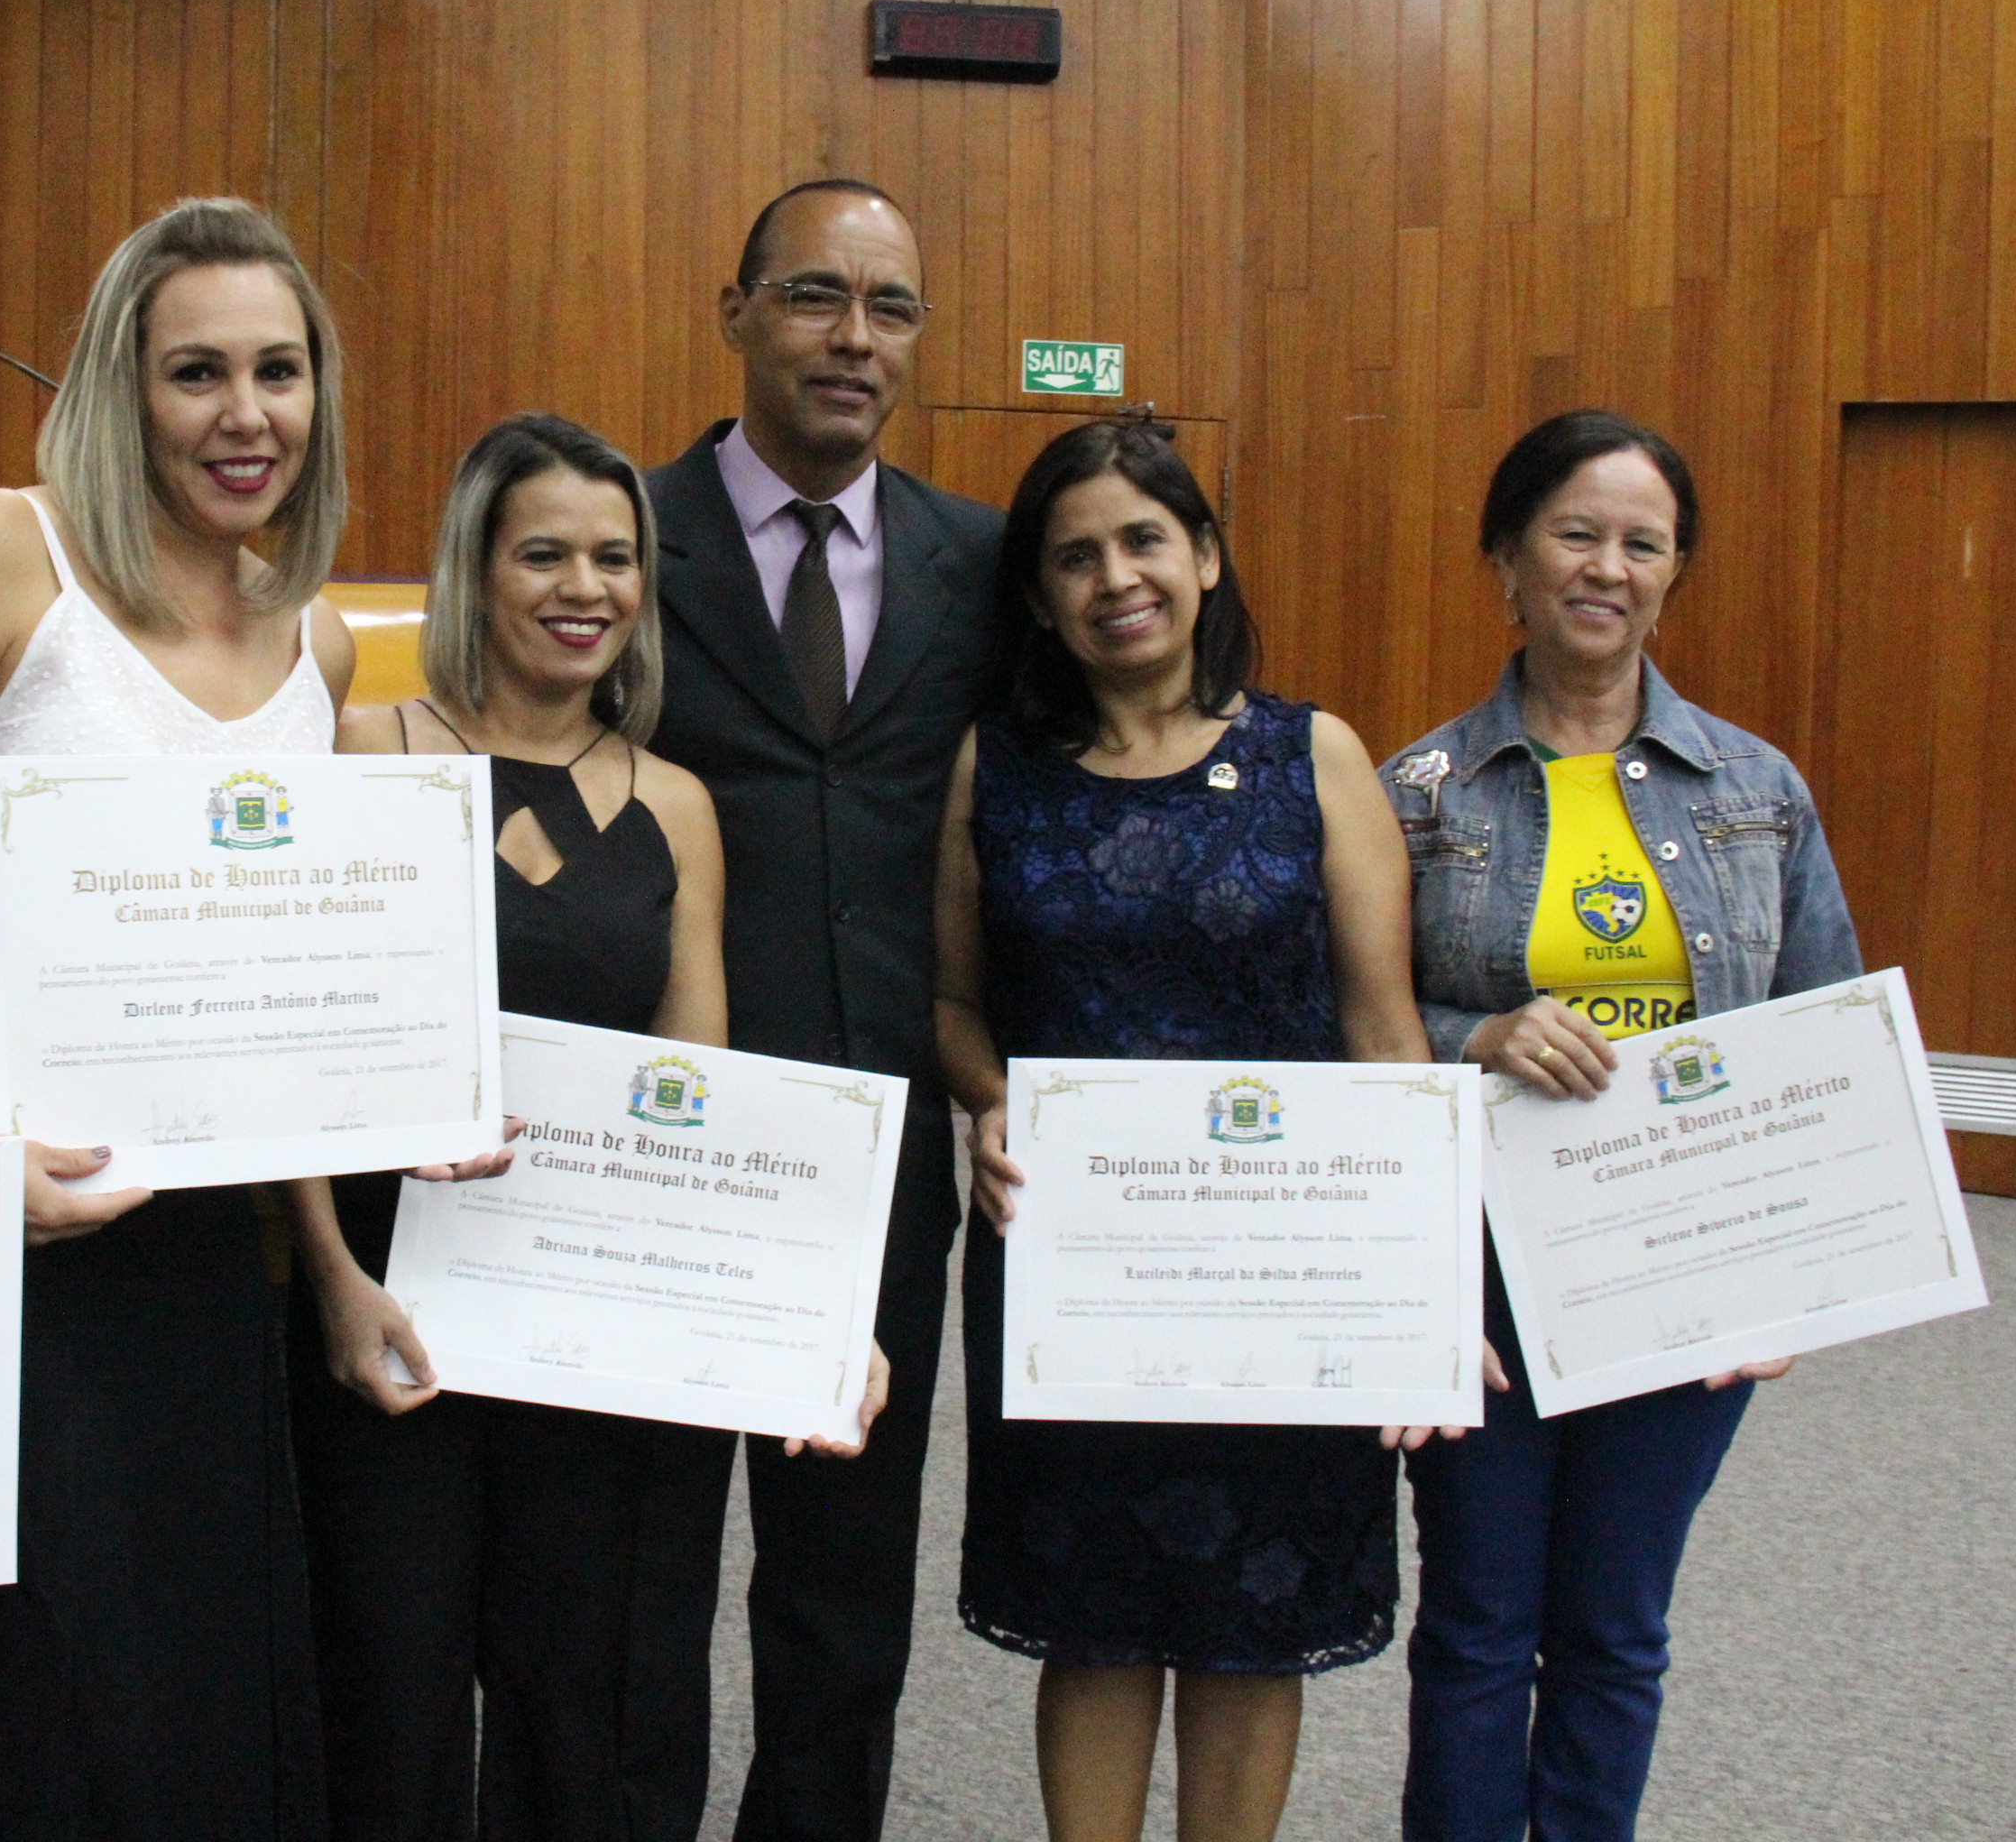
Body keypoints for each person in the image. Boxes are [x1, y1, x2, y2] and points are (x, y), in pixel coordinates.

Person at [0, 197, 356, 1842]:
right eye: (197, 372)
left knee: (177, 1664)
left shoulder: (316, 636)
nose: (245, 415)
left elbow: (284, 1003)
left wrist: (335, 1249)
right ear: (121, 384)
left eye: (278, 371)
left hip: (196, 1223)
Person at [931, 416, 1441, 1842]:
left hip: (1285, 1268)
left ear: (1206, 557)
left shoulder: (1313, 755)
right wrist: (989, 1099)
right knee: (1093, 1619)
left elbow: (1384, 1029)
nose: (1117, 579)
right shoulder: (992, 768)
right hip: (1073, 1263)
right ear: (1040, 598)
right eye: (1075, 557)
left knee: (1253, 1622)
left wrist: (1420, 1282)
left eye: (1145, 539)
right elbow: (952, 1004)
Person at [1386, 409, 1860, 1842]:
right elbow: (1348, 1030)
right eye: (1575, 534)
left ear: (1674, 574)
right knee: (1478, 1619)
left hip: (1684, 1264)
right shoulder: (1418, 795)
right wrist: (1476, 1035)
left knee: (1614, 1624)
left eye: (1642, 544)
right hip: (1481, 1268)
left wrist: (1797, 1277)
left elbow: (1823, 1035)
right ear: (1508, 559)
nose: (1608, 567)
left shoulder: (1758, 793)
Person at [284, 411, 747, 1839]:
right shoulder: (359, 752)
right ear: (474, 569)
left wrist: (784, 1313)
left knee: (575, 1701)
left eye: (615, 557)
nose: (584, 588)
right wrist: (330, 1278)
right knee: (387, 1688)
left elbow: (696, 1103)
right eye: (544, 554)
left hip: (584, 1328)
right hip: (391, 1310)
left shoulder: (676, 806)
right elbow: (289, 1052)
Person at [640, 179, 1001, 1842]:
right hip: (654, 1144)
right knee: (631, 1579)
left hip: (878, 1153)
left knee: (843, 1592)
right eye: (813, 296)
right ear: (734, 314)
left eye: (892, 307)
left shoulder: (976, 562)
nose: (856, 338)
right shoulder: (617, 537)